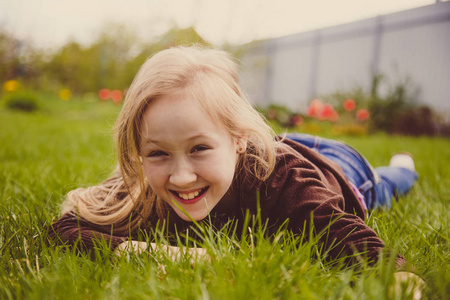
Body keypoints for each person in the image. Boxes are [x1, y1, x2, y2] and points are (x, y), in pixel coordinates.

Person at [49, 46, 419, 272]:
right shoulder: (142, 187)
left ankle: (401, 167)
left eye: (199, 148)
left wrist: (399, 275)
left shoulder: (282, 180)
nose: (180, 177)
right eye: (158, 153)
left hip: (338, 167)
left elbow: (345, 238)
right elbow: (65, 229)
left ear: (238, 137)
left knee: (385, 186)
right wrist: (165, 254)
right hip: (269, 144)